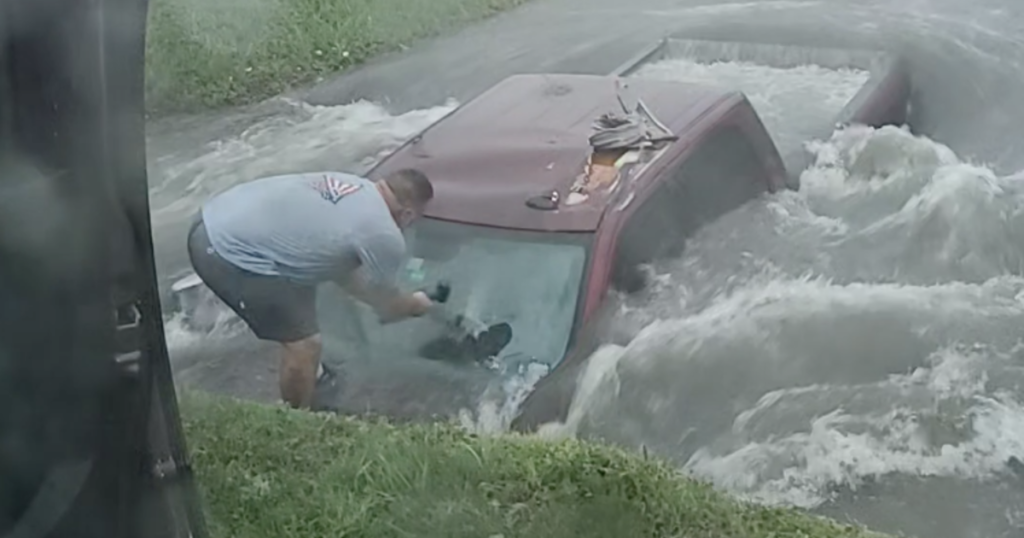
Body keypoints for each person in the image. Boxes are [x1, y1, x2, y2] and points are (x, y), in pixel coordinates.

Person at [186, 168, 442, 410]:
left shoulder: (355, 185)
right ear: (408, 214)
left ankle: (313, 377)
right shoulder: (383, 233)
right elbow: (385, 300)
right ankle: (296, 422)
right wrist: (414, 304)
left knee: (305, 287)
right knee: (305, 345)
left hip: (213, 215)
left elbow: (347, 276)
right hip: (224, 251)